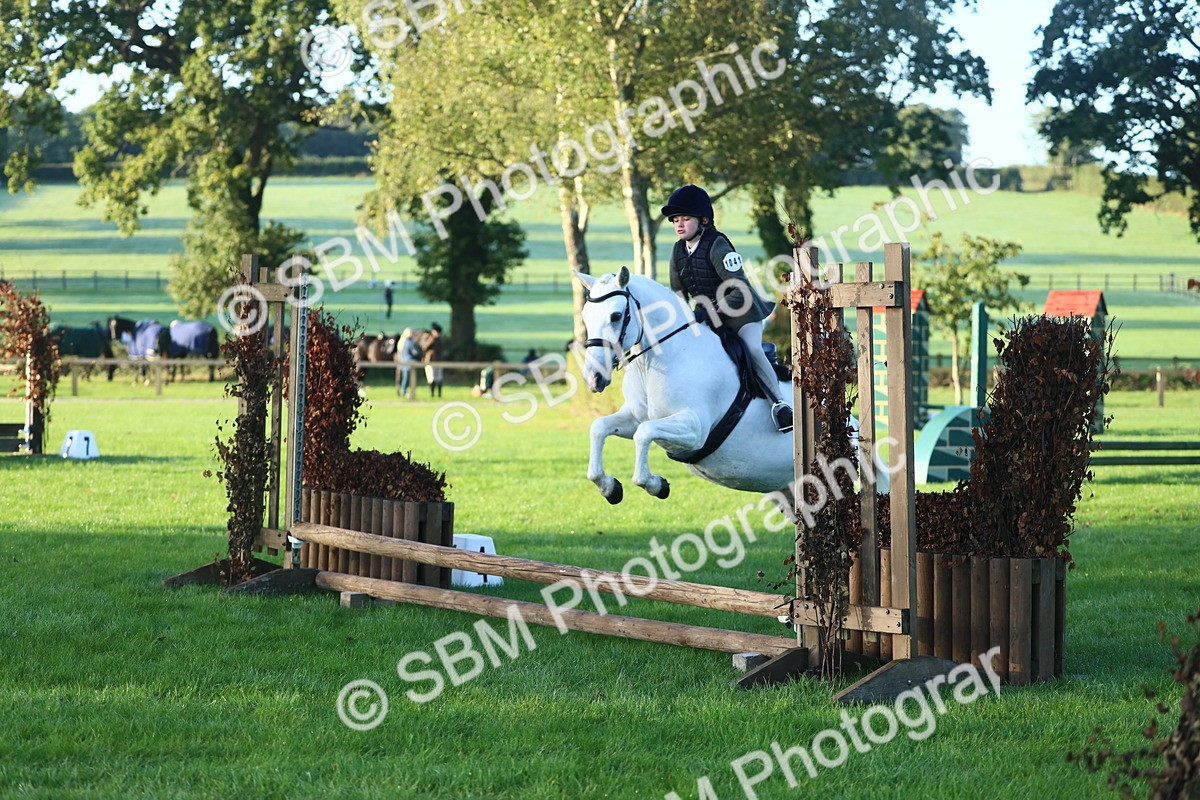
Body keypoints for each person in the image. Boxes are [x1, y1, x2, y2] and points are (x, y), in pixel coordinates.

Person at [661, 184, 793, 433]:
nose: (679, 224)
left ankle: (781, 405)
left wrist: (707, 311)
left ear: (704, 220)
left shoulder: (717, 244)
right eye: (675, 220)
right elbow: (678, 293)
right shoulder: (678, 250)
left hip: (742, 315)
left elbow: (738, 291)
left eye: (685, 219)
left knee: (752, 349)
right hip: (709, 319)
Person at [395, 328, 423, 399]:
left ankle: (403, 391)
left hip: (403, 362)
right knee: (408, 379)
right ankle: (406, 392)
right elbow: (415, 352)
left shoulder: (402, 342)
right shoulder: (410, 342)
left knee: (405, 378)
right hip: (409, 362)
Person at [421, 322, 444, 398]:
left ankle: (439, 394)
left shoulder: (440, 339)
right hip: (430, 361)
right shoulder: (428, 338)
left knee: (439, 378)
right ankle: (432, 394)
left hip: (438, 361)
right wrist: (432, 339)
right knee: (431, 378)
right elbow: (424, 347)